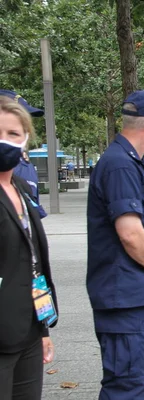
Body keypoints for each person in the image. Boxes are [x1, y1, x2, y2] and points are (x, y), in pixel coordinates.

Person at [87, 90, 144, 399]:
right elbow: (130, 233)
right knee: (128, 385)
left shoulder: (137, 163)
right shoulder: (119, 165)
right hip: (125, 299)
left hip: (141, 295)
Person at [0, 96, 58, 399]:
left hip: (29, 330)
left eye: (13, 134)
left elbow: (34, 262)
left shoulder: (21, 190)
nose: (5, 141)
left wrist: (43, 329)